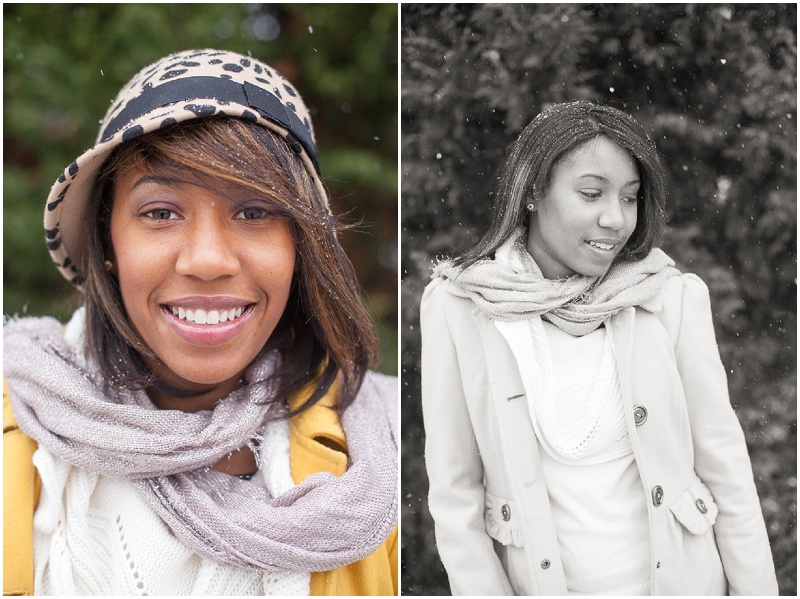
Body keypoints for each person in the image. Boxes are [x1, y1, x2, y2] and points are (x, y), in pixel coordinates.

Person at [4, 48, 398, 596]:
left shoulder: (398, 443)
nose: (208, 260)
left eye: (255, 211)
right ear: (108, 241)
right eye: (161, 212)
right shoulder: (17, 419)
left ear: (300, 248)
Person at [420, 101, 777, 596]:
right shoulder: (461, 307)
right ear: (533, 191)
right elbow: (456, 502)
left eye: (630, 198)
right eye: (592, 194)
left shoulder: (666, 297)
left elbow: (728, 474)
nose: (616, 219)